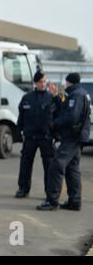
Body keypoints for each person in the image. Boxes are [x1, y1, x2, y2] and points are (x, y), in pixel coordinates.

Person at [37, 72, 91, 211]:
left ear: (69, 82)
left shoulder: (75, 95)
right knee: (72, 169)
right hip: (76, 136)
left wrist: (55, 124)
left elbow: (71, 117)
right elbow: (65, 109)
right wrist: (56, 96)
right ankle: (75, 201)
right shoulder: (81, 93)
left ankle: (52, 201)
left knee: (56, 166)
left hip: (72, 137)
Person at [14, 71, 60, 198]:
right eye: (40, 82)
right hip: (30, 137)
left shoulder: (51, 98)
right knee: (25, 164)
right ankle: (23, 189)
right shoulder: (27, 98)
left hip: (46, 137)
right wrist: (18, 132)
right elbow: (21, 117)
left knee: (49, 166)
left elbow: (59, 114)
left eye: (44, 81)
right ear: (35, 83)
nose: (43, 84)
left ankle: (49, 192)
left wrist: (56, 95)